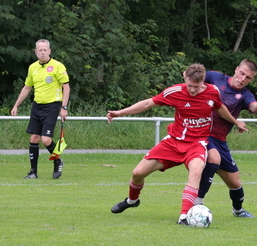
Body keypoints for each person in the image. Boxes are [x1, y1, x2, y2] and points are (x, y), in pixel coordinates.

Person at [107, 63, 249, 224]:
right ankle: (132, 201)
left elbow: (220, 107)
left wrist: (235, 122)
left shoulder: (212, 91)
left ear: (203, 80)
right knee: (138, 173)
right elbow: (147, 104)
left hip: (197, 143)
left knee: (196, 172)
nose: (192, 90)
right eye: (190, 85)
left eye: (196, 86)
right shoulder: (174, 92)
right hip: (174, 143)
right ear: (184, 77)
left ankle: (184, 216)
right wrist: (119, 113)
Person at [197, 60, 257, 218]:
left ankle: (238, 210)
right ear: (236, 69)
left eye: (248, 77)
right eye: (242, 73)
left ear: (251, 80)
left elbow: (256, 109)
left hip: (220, 140)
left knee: (235, 182)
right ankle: (197, 204)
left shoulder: (245, 95)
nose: (243, 78)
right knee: (213, 159)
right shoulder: (215, 77)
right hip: (201, 133)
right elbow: (194, 79)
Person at [10, 39, 70, 179]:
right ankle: (33, 172)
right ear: (35, 52)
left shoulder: (57, 66)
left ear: (49, 51)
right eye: (40, 50)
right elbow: (27, 87)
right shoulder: (33, 68)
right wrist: (16, 105)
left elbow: (66, 87)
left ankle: (58, 160)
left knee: (46, 139)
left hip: (52, 106)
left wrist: (64, 107)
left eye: (45, 50)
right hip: (37, 106)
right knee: (34, 138)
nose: (42, 52)